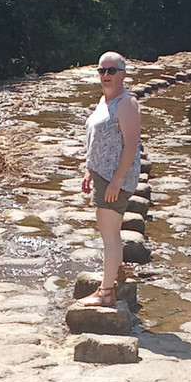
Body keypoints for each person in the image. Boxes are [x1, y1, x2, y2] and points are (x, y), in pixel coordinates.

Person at [78, 51, 142, 307]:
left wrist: (117, 180)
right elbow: (96, 140)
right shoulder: (104, 101)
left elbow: (130, 146)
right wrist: (88, 170)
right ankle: (117, 272)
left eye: (111, 71)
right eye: (101, 71)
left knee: (109, 235)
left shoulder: (127, 103)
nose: (105, 75)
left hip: (114, 177)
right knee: (109, 231)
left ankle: (106, 293)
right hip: (101, 174)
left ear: (123, 74)